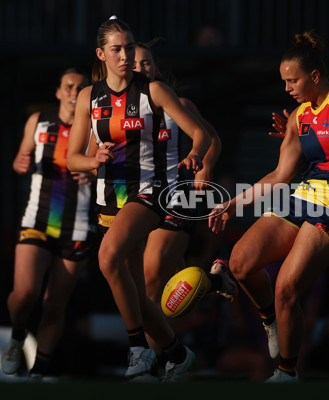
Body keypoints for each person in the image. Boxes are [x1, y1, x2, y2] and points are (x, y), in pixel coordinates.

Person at [208, 31, 329, 382]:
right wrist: (233, 204)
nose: (287, 87)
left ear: (315, 76)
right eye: (284, 81)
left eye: (293, 80)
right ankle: (270, 321)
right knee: (240, 262)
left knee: (286, 289)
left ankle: (287, 372)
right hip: (302, 197)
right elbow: (279, 175)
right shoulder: (299, 116)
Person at [66, 16, 211, 382]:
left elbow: (201, 135)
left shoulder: (154, 90)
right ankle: (176, 353)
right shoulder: (89, 97)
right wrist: (93, 158)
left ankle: (137, 350)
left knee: (107, 257)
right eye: (116, 49)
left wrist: (197, 156)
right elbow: (72, 158)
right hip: (109, 195)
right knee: (132, 286)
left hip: (151, 190)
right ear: (101, 54)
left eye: (129, 47)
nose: (125, 55)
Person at [132, 40, 236, 370]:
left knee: (150, 279)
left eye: (146, 63)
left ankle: (153, 362)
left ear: (156, 69)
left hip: (178, 196)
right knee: (160, 283)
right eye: (135, 64)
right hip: (140, 199)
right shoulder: (123, 110)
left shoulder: (179, 103)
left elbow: (212, 139)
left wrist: (205, 166)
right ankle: (217, 280)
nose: (140, 68)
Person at [2, 68, 97, 381]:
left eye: (81, 86)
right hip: (39, 218)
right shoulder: (39, 121)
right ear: (58, 92)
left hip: (79, 224)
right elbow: (20, 158)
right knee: (25, 292)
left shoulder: (97, 127)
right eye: (69, 86)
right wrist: (20, 163)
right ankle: (17, 335)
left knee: (55, 304)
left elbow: (108, 167)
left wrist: (95, 171)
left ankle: (38, 372)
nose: (74, 91)